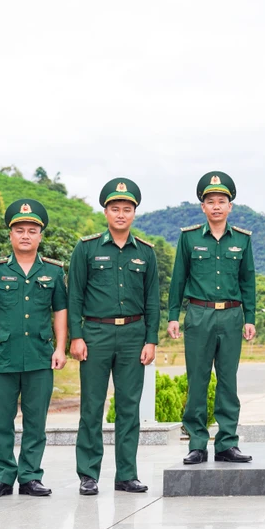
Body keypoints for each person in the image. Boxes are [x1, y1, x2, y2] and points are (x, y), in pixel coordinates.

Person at [68, 178, 160, 495]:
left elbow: (152, 301)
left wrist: (151, 340)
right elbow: (74, 296)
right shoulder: (87, 248)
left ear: (134, 213)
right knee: (92, 407)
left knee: (129, 408)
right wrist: (76, 336)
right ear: (106, 211)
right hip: (95, 333)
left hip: (134, 334)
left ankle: (126, 474)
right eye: (115, 208)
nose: (121, 214)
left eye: (127, 209)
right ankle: (88, 474)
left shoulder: (146, 253)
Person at [0, 199, 67, 499]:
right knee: (1, 421)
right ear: (11, 235)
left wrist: (60, 347)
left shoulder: (53, 272)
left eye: (32, 230)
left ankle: (30, 477)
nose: (26, 235)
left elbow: (60, 312)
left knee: (35, 421)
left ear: (41, 235)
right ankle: (1, 477)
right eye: (20, 230)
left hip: (40, 356)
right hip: (2, 356)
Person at [167, 172, 256, 465]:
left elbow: (248, 281)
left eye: (222, 201)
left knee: (228, 382)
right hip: (198, 314)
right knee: (198, 381)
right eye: (210, 201)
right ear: (202, 207)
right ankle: (196, 444)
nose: (216, 206)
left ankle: (227, 443)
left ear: (230, 206)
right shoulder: (189, 238)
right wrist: (173, 316)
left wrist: (250, 317)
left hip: (232, 315)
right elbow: (178, 279)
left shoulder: (242, 240)